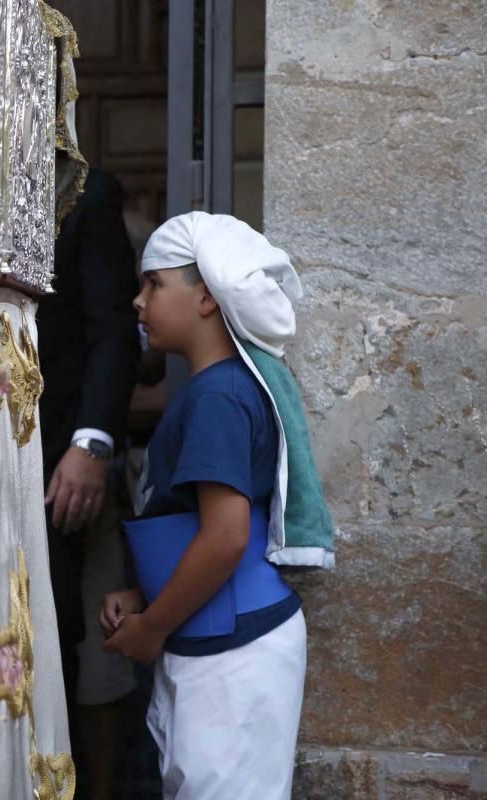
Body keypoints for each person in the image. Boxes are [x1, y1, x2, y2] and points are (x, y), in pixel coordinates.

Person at [100, 211, 334, 798]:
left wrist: (152, 626)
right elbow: (198, 525)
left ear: (207, 296)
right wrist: (147, 595)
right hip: (212, 642)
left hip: (232, 652)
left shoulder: (219, 397)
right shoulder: (216, 390)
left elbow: (227, 536)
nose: (138, 300)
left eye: (153, 283)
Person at [37, 169, 140, 798]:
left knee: (60, 633)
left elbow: (112, 332)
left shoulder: (85, 192)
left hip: (59, 458)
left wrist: (90, 444)